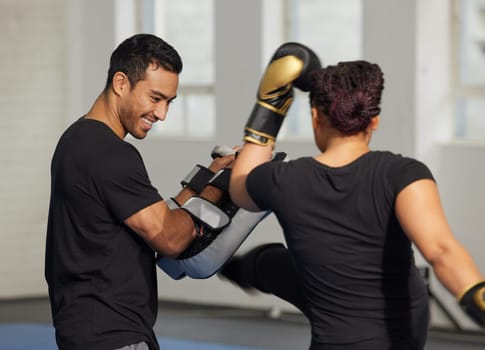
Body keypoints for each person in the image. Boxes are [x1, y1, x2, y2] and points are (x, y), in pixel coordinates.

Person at [222, 57, 485, 349]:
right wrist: (476, 295)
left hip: (335, 335)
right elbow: (441, 251)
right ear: (374, 121)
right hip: (403, 333)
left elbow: (239, 187)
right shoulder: (404, 174)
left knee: (271, 264)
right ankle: (241, 268)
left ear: (314, 118)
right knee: (277, 265)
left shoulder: (281, 179)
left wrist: (269, 108)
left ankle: (235, 269)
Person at [44, 33, 235, 350]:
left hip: (88, 328)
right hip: (112, 334)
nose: (162, 114)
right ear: (121, 83)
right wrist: (221, 188)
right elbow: (170, 237)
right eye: (155, 98)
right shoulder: (110, 153)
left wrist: (208, 177)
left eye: (169, 102)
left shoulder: (77, 139)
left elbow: (153, 215)